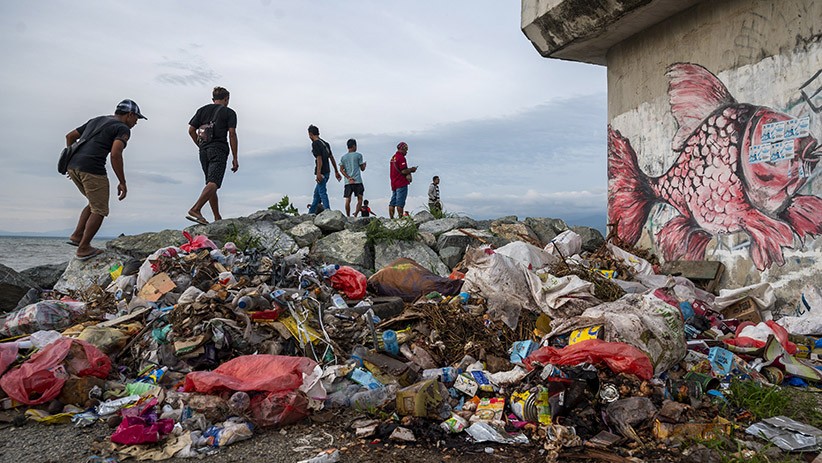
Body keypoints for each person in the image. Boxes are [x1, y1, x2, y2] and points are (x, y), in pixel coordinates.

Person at [65, 99, 146, 260]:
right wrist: (122, 181)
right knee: (100, 209)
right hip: (92, 169)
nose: (136, 122)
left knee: (94, 202)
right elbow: (116, 154)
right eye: (136, 118)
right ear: (129, 115)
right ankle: (83, 248)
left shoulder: (97, 120)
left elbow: (70, 136)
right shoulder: (122, 128)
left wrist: (71, 160)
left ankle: (77, 235)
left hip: (73, 166)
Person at [186, 86, 238, 225]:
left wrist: (200, 145)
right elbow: (232, 134)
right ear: (226, 99)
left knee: (210, 183)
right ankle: (196, 209)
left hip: (203, 151)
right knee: (214, 182)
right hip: (219, 148)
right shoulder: (229, 112)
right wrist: (235, 157)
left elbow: (191, 130)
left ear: (213, 99)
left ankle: (217, 217)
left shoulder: (201, 110)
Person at [307, 124, 341, 213]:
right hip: (327, 171)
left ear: (310, 134)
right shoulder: (325, 143)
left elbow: (319, 159)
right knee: (316, 195)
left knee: (322, 192)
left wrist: (318, 173)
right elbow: (331, 157)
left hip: (321, 172)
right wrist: (336, 171)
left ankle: (327, 210)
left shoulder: (315, 144)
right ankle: (311, 213)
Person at [388, 141, 417, 218]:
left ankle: (391, 219)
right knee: (400, 203)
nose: (406, 152)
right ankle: (400, 219)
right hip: (401, 182)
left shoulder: (393, 157)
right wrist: (412, 169)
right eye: (405, 149)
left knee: (392, 202)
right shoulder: (401, 158)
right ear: (402, 149)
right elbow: (403, 170)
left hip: (394, 182)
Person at [339, 138, 367, 217]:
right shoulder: (358, 155)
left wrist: (348, 177)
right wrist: (364, 165)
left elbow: (341, 170)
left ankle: (348, 216)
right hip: (357, 180)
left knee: (348, 199)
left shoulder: (343, 157)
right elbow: (362, 169)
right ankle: (355, 215)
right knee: (360, 198)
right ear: (354, 146)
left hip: (348, 181)